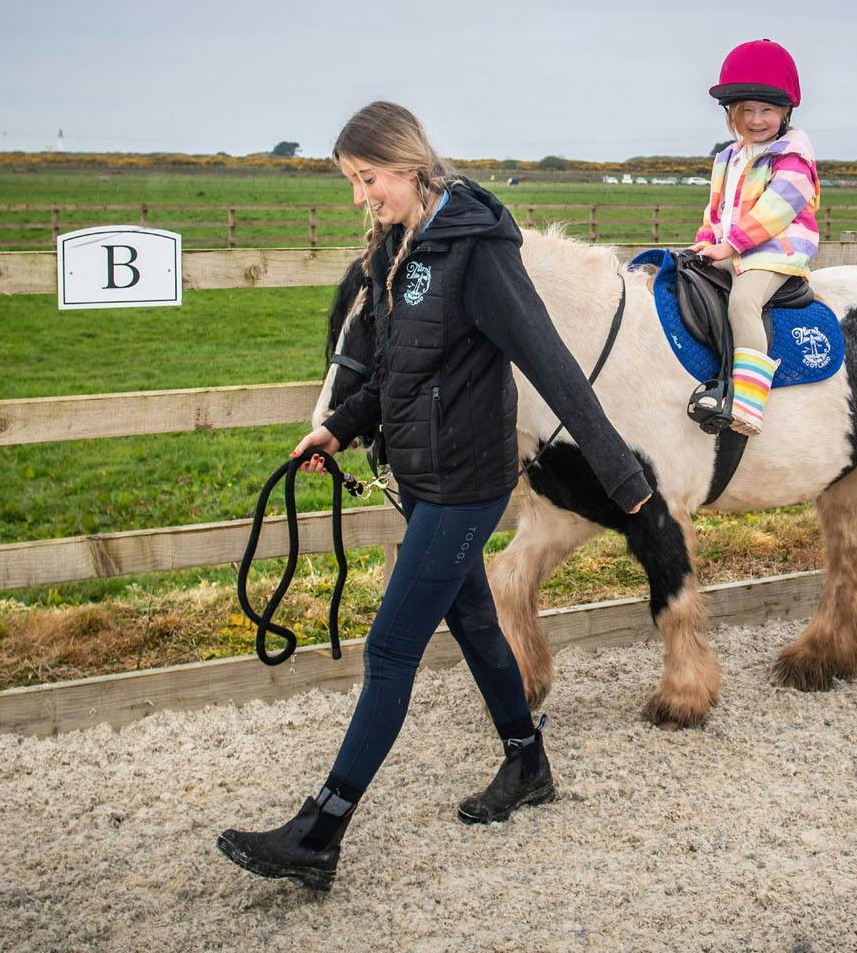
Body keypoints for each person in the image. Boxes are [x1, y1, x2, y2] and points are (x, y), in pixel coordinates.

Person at [216, 101, 653, 892]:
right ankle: (528, 763)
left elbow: (550, 364)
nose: (361, 197)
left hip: (467, 486)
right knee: (478, 624)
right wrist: (337, 429)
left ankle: (322, 828)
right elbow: (392, 371)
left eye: (369, 178)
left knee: (390, 650)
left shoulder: (477, 253)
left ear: (411, 165)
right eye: (352, 182)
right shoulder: (398, 247)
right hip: (421, 477)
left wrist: (624, 481)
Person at [689, 38, 821, 436]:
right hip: (737, 251)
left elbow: (776, 210)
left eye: (766, 109)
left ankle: (748, 401)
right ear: (733, 113)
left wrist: (730, 245)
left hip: (776, 254)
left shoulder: (793, 159)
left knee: (743, 302)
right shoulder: (729, 156)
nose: (756, 118)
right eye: (747, 109)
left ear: (785, 110)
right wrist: (704, 240)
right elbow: (717, 209)